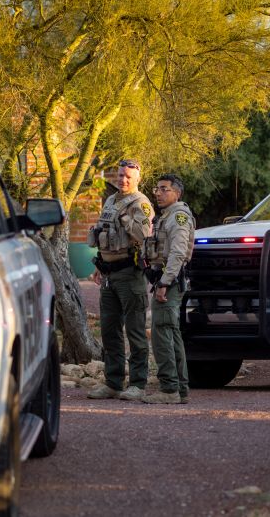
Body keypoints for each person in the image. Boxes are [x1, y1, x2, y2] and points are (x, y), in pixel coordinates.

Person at [86, 159, 154, 401]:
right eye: (121, 175)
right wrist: (100, 265)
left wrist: (126, 219)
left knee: (135, 331)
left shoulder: (141, 203)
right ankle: (113, 382)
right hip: (108, 273)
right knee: (109, 330)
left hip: (129, 274)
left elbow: (143, 234)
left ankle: (137, 383)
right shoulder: (110, 200)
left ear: (137, 180)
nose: (123, 180)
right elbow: (104, 233)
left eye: (128, 177)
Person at [142, 174, 194, 404]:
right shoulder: (167, 216)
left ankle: (169, 389)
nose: (158, 193)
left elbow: (178, 252)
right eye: (157, 189)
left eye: (164, 189)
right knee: (171, 334)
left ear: (177, 193)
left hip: (169, 283)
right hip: (165, 280)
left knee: (162, 335)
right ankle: (179, 389)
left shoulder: (179, 217)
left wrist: (164, 282)